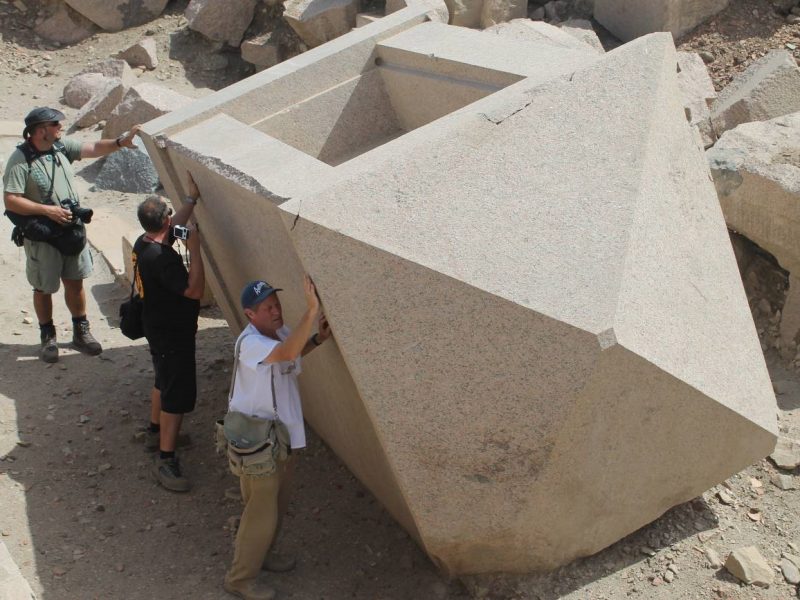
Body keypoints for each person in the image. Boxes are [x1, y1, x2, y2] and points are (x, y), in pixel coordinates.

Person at [2, 107, 140, 363]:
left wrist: (121, 142)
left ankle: (81, 331)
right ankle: (48, 337)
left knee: (75, 282)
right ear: (42, 130)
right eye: (57, 124)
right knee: (43, 287)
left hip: (70, 229)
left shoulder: (60, 147)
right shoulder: (20, 160)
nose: (61, 128)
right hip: (43, 235)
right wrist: (47, 211)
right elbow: (10, 200)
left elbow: (93, 148)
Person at [224, 276, 331, 600]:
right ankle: (241, 578)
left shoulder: (280, 333)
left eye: (277, 304)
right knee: (261, 511)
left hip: (280, 439)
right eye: (267, 307)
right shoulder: (250, 343)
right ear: (250, 314)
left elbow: (293, 352)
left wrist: (317, 339)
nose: (275, 311)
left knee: (276, 506)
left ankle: (262, 555)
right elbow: (285, 354)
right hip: (259, 444)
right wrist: (311, 311)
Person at [132, 177, 204, 492]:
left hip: (155, 327)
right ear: (163, 220)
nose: (173, 218)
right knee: (176, 396)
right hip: (173, 333)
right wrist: (197, 251)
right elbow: (194, 291)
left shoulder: (145, 242)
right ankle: (166, 458)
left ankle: (153, 431)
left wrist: (191, 199)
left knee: (162, 379)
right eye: (170, 214)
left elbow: (175, 227)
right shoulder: (163, 260)